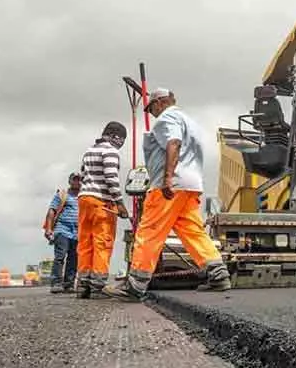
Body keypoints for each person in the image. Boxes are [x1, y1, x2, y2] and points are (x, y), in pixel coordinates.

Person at [103, 87, 231, 301]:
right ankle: (218, 275)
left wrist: (168, 177)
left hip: (171, 185)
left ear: (159, 102)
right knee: (192, 231)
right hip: (191, 185)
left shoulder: (166, 119)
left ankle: (135, 285)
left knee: (149, 231)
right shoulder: (191, 122)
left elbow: (173, 143)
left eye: (151, 108)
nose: (151, 113)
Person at [76, 121, 130, 298]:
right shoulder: (111, 152)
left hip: (84, 199)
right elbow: (111, 178)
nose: (122, 143)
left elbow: (83, 175)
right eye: (122, 139)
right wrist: (120, 203)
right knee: (102, 241)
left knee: (85, 242)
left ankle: (83, 285)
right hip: (102, 202)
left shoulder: (89, 151)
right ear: (116, 137)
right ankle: (98, 286)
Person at [43, 172, 81, 293]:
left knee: (74, 258)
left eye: (79, 180)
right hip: (62, 229)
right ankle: (56, 283)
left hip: (77, 232)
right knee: (60, 256)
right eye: (74, 179)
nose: (77, 182)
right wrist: (49, 229)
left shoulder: (83, 197)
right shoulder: (62, 195)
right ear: (69, 181)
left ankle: (68, 284)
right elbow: (52, 211)